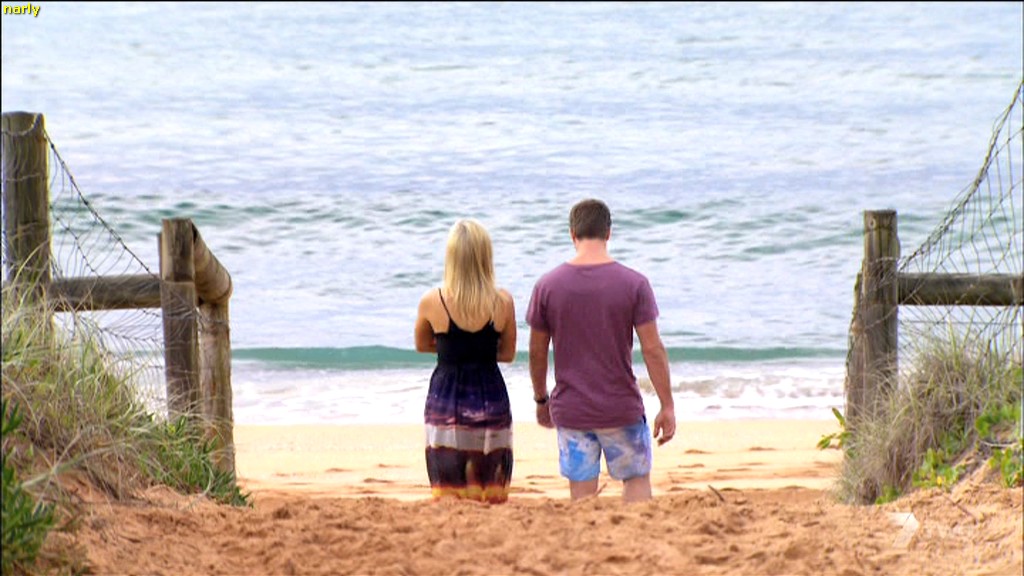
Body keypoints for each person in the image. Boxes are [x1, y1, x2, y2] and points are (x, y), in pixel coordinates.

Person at [525, 198, 675, 503]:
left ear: (572, 234)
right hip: (621, 407)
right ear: (608, 233)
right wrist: (666, 404)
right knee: (636, 484)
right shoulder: (634, 283)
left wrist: (541, 399)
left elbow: (537, 351)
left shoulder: (547, 286)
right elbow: (652, 349)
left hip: (572, 410)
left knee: (582, 498)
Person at [414, 218, 517, 503]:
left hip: (447, 395)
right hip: (489, 392)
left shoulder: (432, 300)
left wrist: (454, 350)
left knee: (448, 483)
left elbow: (422, 345)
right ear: (486, 256)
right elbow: (507, 354)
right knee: (490, 481)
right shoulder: (503, 301)